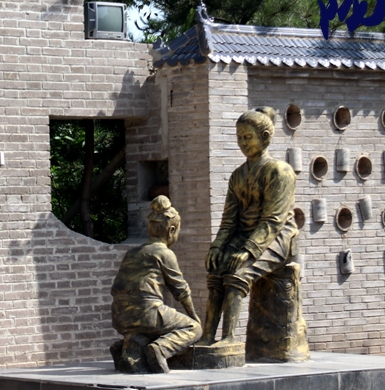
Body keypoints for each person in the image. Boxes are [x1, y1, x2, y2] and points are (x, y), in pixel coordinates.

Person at [203, 106, 298, 347]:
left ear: (264, 137)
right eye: (239, 138)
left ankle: (229, 339)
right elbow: (229, 220)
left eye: (248, 137)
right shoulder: (237, 176)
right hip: (244, 235)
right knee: (216, 272)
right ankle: (207, 337)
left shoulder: (280, 171)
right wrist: (217, 247)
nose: (243, 143)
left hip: (276, 238)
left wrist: (248, 250)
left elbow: (273, 220)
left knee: (238, 274)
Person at [110, 195, 201, 374]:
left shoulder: (131, 253)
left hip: (119, 315)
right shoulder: (164, 253)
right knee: (193, 328)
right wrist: (194, 317)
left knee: (149, 329)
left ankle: (124, 346)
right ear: (172, 230)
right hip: (147, 312)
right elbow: (181, 290)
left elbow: (115, 289)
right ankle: (160, 349)